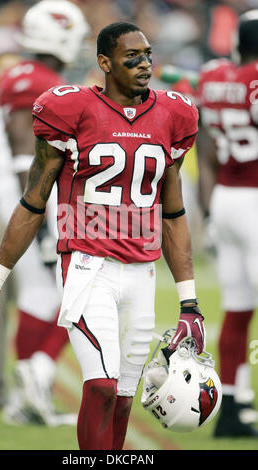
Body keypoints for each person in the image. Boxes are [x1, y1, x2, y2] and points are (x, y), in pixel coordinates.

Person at [0, 22, 204, 450]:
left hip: (142, 271)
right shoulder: (69, 108)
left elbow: (174, 213)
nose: (144, 63)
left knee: (123, 398)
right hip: (85, 266)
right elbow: (33, 202)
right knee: (100, 385)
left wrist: (190, 302)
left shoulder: (174, 114)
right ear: (104, 63)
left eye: (148, 54)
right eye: (132, 56)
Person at [0, 52, 75, 426]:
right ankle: (4, 384)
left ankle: (29, 382)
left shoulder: (46, 109)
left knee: (44, 294)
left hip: (36, 211)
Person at [196, 9, 258, 437]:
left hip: (224, 199)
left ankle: (233, 407)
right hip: (254, 199)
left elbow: (203, 151)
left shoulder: (212, 76)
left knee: (237, 309)